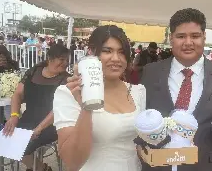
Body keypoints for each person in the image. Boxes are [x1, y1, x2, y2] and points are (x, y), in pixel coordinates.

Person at [140, 8, 212, 171]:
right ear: (171, 39)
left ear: (204, 37)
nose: (188, 42)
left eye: (195, 36)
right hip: (158, 165)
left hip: (207, 165)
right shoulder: (150, 72)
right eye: (181, 36)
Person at [53, 25, 145, 171]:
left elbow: (139, 143)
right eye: (107, 51)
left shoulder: (138, 91)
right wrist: (87, 105)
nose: (116, 58)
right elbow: (72, 161)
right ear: (91, 52)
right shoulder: (69, 93)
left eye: (121, 52)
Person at [2, 44, 71, 171]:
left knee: (21, 146)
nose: (66, 63)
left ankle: (36, 168)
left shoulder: (66, 80)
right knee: (5, 141)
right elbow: (17, 94)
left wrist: (38, 129)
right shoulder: (33, 72)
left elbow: (58, 109)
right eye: (62, 59)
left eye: (67, 60)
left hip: (50, 125)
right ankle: (41, 168)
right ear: (50, 59)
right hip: (28, 119)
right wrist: (14, 116)